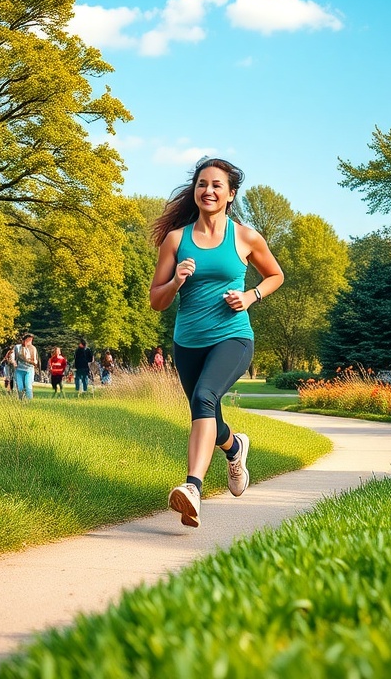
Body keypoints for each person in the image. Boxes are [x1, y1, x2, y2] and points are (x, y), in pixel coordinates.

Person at [149, 156, 284, 528]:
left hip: (232, 336)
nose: (208, 190)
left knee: (205, 397)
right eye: (202, 184)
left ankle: (192, 488)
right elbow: (156, 300)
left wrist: (251, 296)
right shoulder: (176, 240)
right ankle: (235, 446)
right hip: (188, 342)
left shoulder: (245, 236)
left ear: (230, 194)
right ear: (194, 190)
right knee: (206, 412)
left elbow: (275, 275)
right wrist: (176, 281)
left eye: (216, 185)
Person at [14, 333, 39, 401]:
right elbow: (14, 358)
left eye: (31, 340)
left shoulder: (33, 348)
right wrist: (14, 363)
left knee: (28, 387)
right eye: (28, 340)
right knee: (20, 388)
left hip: (29, 370)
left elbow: (35, 361)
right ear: (23, 340)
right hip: (19, 370)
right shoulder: (17, 347)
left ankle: (29, 402)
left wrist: (31, 361)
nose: (29, 342)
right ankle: (21, 401)